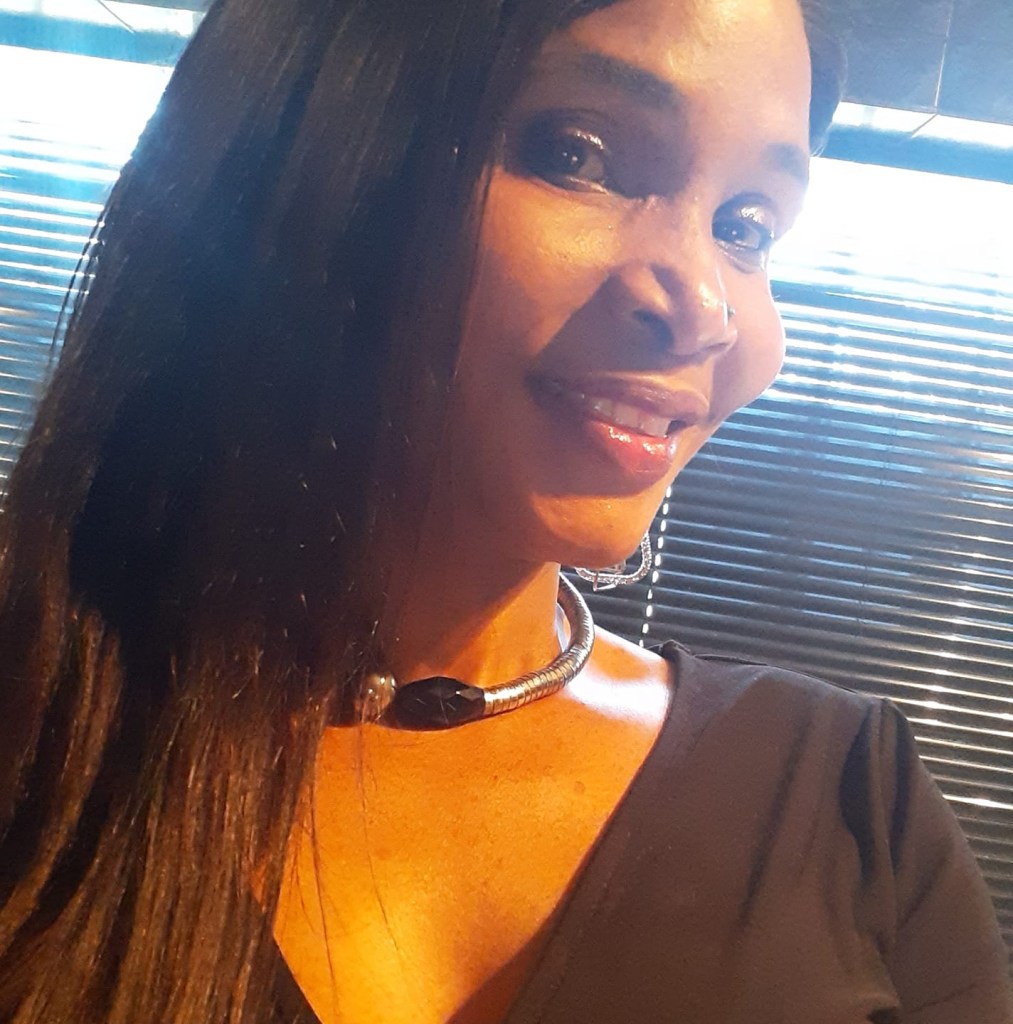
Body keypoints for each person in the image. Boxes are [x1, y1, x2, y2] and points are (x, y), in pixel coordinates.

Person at [0, 0, 1008, 1021]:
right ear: (310, 157)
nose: (704, 310)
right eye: (576, 154)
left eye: (744, 227)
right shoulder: (39, 719)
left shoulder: (846, 803)